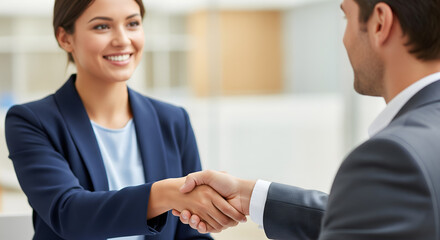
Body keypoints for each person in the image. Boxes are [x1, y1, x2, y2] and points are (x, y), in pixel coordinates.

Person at [173, 0, 440, 239]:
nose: (344, 39)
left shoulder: (393, 156)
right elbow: (379, 220)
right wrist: (252, 195)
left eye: (346, 18)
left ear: (380, 22)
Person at [4, 0, 246, 239]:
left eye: (132, 23)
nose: (122, 40)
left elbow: (190, 234)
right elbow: (69, 213)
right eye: (102, 26)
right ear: (65, 38)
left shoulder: (173, 121)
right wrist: (168, 193)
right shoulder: (31, 121)